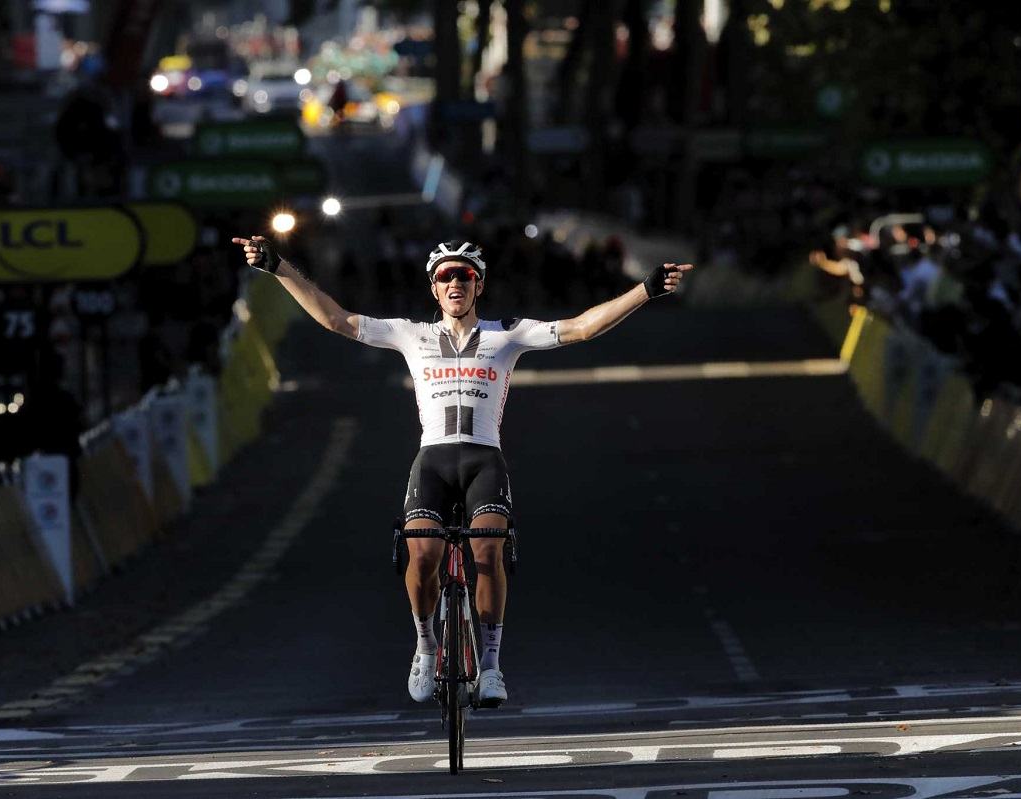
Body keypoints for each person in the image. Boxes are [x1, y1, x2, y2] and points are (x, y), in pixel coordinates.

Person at [230, 234, 693, 706]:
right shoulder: (412, 334)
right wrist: (279, 266)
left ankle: (491, 666)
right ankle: (426, 646)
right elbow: (337, 319)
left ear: (478, 286)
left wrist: (645, 290)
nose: (455, 281)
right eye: (445, 276)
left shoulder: (505, 333)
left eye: (464, 275)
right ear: (434, 289)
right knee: (423, 554)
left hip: (483, 461)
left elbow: (580, 329)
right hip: (432, 461)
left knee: (489, 553)